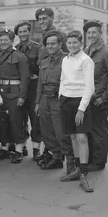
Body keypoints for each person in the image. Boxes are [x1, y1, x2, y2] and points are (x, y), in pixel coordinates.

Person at [58, 30, 95, 192]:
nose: (72, 45)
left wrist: (81, 109)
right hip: (66, 100)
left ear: (81, 43)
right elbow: (63, 80)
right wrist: (61, 96)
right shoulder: (65, 60)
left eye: (75, 42)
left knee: (81, 137)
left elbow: (90, 87)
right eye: (69, 43)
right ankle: (77, 169)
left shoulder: (86, 60)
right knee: (72, 135)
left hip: (80, 102)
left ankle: (84, 174)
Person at [83, 20, 108, 171]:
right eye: (89, 33)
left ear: (100, 33)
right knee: (89, 131)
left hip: (99, 100)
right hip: (88, 99)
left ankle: (99, 162)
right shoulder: (87, 50)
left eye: (94, 32)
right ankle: (92, 158)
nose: (91, 35)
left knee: (99, 131)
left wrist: (103, 98)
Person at [35, 30, 73, 170]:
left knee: (61, 132)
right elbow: (40, 84)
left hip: (59, 99)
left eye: (53, 44)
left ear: (60, 44)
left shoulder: (67, 60)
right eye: (48, 44)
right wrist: (38, 102)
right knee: (47, 131)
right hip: (45, 99)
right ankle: (56, 158)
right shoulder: (45, 61)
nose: (50, 46)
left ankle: (70, 162)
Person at [0, 29, 30, 163]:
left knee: (16, 121)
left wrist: (22, 96)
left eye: (6, 40)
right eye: (1, 40)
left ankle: (19, 150)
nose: (3, 42)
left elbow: (25, 78)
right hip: (0, 93)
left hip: (14, 92)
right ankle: (4, 147)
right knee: (2, 121)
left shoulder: (19, 57)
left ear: (12, 40)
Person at [14, 21, 43, 160]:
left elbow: (42, 67)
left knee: (35, 118)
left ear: (29, 32)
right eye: (20, 32)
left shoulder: (38, 48)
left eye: (25, 31)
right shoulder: (15, 49)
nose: (23, 34)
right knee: (20, 118)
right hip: (19, 87)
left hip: (33, 87)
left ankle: (36, 149)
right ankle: (21, 147)